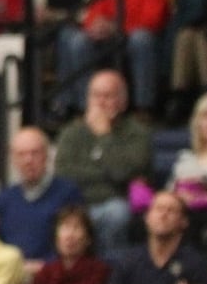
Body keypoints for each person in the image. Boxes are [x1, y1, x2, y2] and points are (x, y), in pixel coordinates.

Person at [55, 70, 153, 254]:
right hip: (77, 202)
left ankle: (111, 271)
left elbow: (123, 173)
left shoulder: (137, 133)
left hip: (115, 202)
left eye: (108, 96)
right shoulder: (72, 132)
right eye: (95, 96)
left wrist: (104, 136)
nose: (100, 102)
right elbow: (64, 173)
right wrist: (105, 173)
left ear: (123, 102)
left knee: (116, 214)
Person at [108, 191, 207, 284]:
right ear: (147, 217)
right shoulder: (129, 260)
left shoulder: (195, 263)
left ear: (184, 221)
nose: (163, 215)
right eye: (158, 209)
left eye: (171, 211)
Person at [0, 126, 83, 264]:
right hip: (13, 274)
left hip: (54, 275)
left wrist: (42, 268)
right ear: (13, 159)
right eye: (21, 154)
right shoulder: (4, 199)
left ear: (47, 156)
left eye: (35, 153)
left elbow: (77, 244)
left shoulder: (68, 193)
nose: (28, 160)